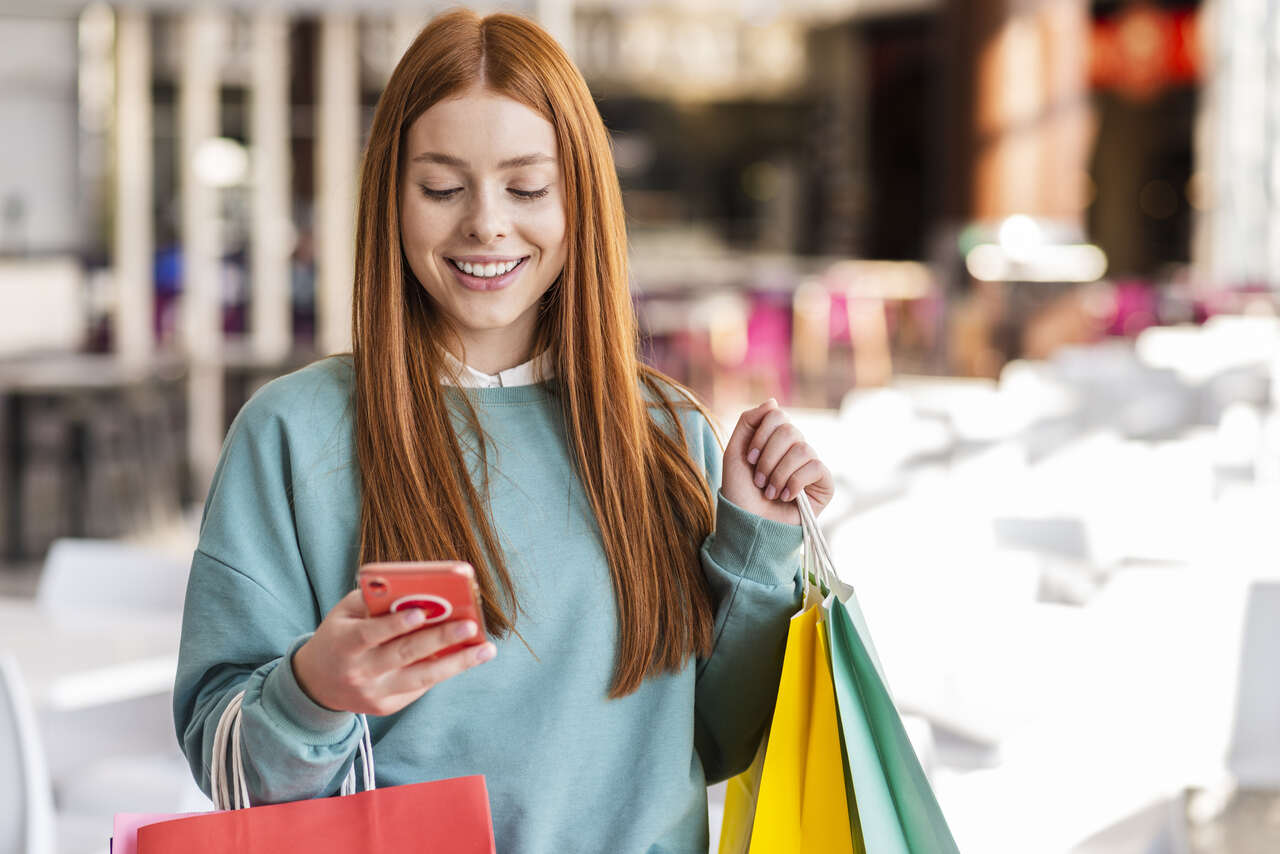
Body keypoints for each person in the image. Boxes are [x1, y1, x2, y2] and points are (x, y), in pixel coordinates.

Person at [173, 9, 834, 853]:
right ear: (392, 200)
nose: (486, 223)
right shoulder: (292, 433)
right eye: (443, 187)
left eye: (526, 187)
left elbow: (717, 745)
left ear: (580, 201)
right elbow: (226, 772)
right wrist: (315, 690)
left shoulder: (668, 434)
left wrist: (760, 540)